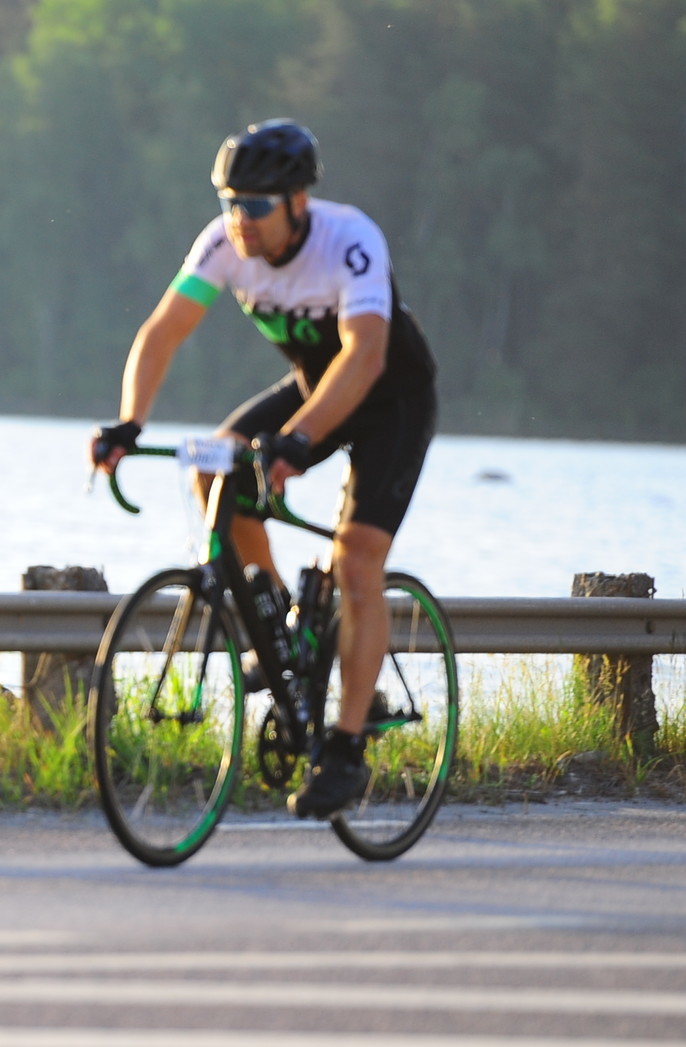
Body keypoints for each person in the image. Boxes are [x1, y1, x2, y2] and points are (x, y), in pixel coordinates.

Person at [89, 118, 437, 819]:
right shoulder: (222, 244)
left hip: (389, 401)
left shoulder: (350, 239)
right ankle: (277, 628)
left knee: (357, 560)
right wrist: (129, 422)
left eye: (255, 205)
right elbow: (163, 331)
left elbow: (365, 355)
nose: (239, 219)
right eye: (229, 202)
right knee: (216, 468)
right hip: (314, 391)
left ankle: (346, 751)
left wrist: (299, 441)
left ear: (297, 203)